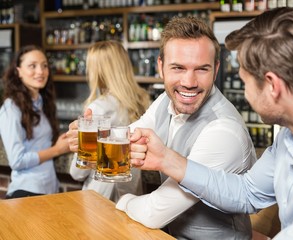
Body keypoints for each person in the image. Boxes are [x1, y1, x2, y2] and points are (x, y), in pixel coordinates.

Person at [128, 7, 293, 239]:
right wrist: (167, 159)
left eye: (245, 82)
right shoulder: (291, 137)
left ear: (272, 86)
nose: (245, 95)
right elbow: (247, 192)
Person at [67, 16, 257, 239]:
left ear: (216, 70)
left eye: (201, 69)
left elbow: (154, 213)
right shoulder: (165, 101)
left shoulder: (224, 132)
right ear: (161, 67)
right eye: (178, 67)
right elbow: (130, 136)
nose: (189, 81)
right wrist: (92, 141)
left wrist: (121, 201)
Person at [68, 40, 150, 202]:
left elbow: (77, 173)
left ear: (97, 71)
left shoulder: (98, 108)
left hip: (100, 198)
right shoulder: (142, 101)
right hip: (131, 195)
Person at [0, 45, 70, 199]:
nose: (40, 71)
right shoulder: (11, 108)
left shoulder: (42, 103)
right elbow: (17, 160)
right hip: (26, 192)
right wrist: (57, 150)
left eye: (44, 66)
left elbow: (40, 143)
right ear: (18, 71)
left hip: (49, 190)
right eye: (33, 66)